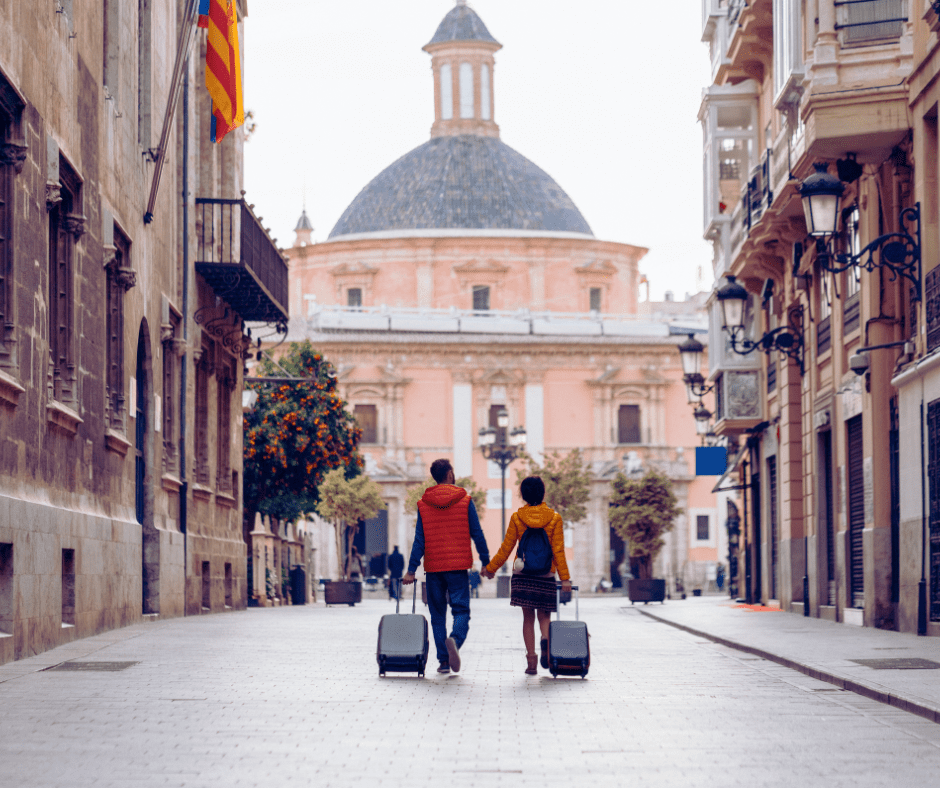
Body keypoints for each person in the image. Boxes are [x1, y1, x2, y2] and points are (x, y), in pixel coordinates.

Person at [402, 459, 490, 675]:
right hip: (458, 566)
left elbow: (419, 540)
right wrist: (487, 562)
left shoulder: (423, 504)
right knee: (461, 610)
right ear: (450, 473)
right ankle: (455, 640)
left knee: (437, 614)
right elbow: (477, 533)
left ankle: (443, 661)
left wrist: (411, 570)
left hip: (434, 568)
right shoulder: (465, 500)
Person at [481, 476, 571, 676]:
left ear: (523, 495)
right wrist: (565, 578)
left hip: (523, 574)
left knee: (527, 617)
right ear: (543, 493)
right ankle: (546, 639)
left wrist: (491, 568)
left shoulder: (517, 518)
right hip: (547, 573)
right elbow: (558, 551)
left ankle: (531, 662)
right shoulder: (554, 518)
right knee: (544, 616)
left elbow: (507, 548)